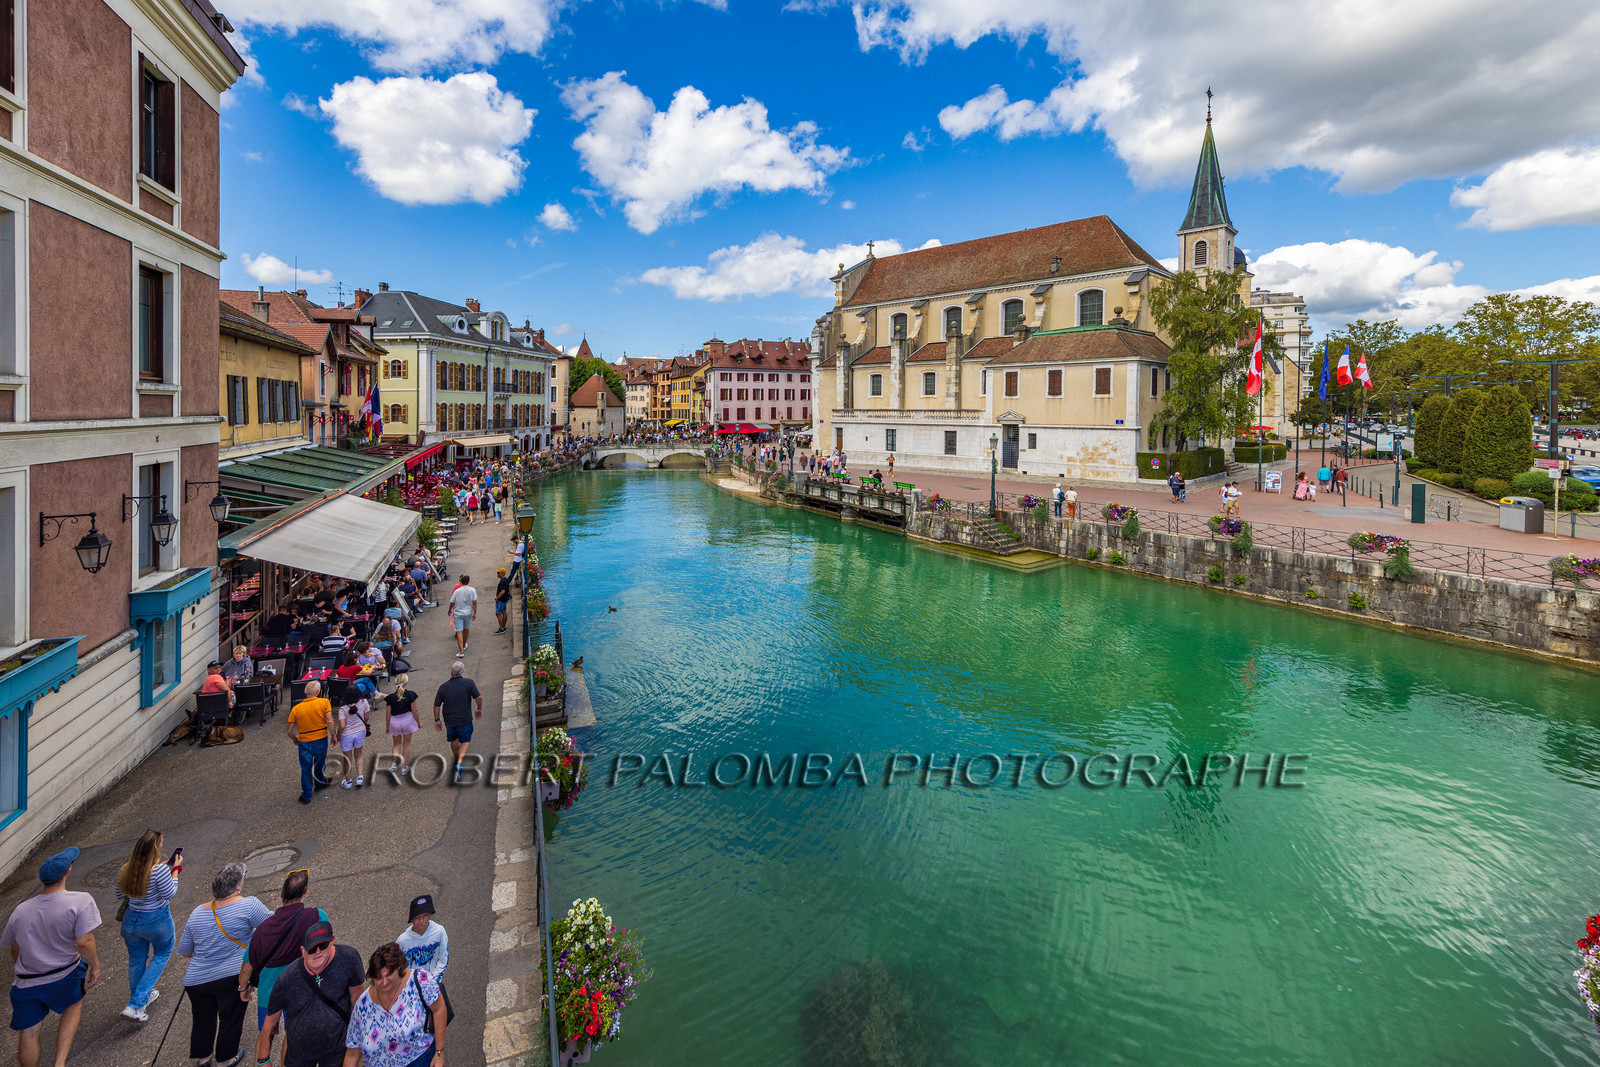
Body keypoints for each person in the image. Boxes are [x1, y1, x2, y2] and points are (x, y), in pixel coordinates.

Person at [1, 847, 100, 1067]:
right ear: (68, 871)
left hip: (27, 981)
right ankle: (59, 1063)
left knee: (29, 1032)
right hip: (65, 974)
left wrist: (21, 967)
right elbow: (84, 942)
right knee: (73, 1005)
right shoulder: (80, 901)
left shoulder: (20, 910)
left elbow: (15, 949)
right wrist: (94, 966)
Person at [176, 862, 270, 1067]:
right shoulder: (249, 905)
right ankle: (226, 1059)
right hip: (231, 975)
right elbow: (272, 927)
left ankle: (204, 1058)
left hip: (196, 980)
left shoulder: (197, 913)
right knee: (230, 1018)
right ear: (238, 886)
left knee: (202, 1019)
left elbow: (185, 951)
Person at [257, 919, 364, 1067]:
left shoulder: (349, 959)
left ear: (332, 940)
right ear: (302, 950)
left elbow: (358, 998)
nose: (318, 952)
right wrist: (263, 1060)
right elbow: (271, 1021)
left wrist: (359, 1038)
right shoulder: (287, 979)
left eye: (323, 945)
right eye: (312, 949)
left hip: (337, 1048)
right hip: (300, 1053)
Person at [239, 869, 327, 1038]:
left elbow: (247, 965)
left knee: (266, 1036)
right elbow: (328, 949)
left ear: (281, 893)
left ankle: (262, 1063)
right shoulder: (317, 915)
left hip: (269, 992)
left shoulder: (264, 928)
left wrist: (243, 987)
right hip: (302, 987)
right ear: (305, 891)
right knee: (293, 1034)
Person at [342, 942, 446, 1067]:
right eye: (378, 978)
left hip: (419, 1060)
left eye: (389, 975)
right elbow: (353, 1051)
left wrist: (439, 1053)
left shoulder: (420, 980)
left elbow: (439, 1009)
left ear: (398, 968)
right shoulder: (363, 1006)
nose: (384, 982)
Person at [114, 830, 180, 1022]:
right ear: (156, 848)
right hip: (155, 920)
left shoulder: (126, 869)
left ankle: (139, 999)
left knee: (137, 960)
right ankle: (135, 1005)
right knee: (162, 953)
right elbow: (170, 893)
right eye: (161, 844)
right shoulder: (158, 870)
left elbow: (120, 895)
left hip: (131, 921)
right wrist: (175, 870)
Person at [433, 662, 482, 783]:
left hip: (449, 719)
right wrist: (479, 708)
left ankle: (457, 760)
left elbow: (436, 706)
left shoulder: (443, 687)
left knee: (454, 740)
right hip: (464, 718)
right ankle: (459, 764)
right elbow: (479, 698)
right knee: (465, 741)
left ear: (451, 672)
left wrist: (437, 720)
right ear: (462, 672)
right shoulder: (469, 683)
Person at [289, 681, 336, 805]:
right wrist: (334, 735)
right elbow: (330, 721)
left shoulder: (296, 709)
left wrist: (294, 737)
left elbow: (289, 730)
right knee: (320, 762)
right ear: (317, 692)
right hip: (320, 737)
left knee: (306, 768)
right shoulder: (324, 702)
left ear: (305, 692)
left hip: (304, 741)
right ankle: (320, 782)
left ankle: (307, 795)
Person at [395, 895, 448, 981]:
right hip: (411, 986)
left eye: (425, 916)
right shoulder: (402, 941)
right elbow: (397, 967)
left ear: (430, 914)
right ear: (411, 919)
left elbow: (443, 959)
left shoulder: (439, 932)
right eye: (417, 917)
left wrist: (433, 980)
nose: (421, 920)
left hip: (433, 983)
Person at [335, 685, 370, 790]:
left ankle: (348, 780)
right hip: (360, 731)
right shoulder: (364, 702)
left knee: (347, 758)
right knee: (359, 754)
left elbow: (342, 725)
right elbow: (366, 717)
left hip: (347, 735)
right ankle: (360, 776)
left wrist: (337, 736)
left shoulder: (342, 709)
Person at [385, 675, 420, 777]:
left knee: (396, 744)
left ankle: (394, 764)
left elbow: (388, 715)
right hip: (408, 721)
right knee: (406, 744)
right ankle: (404, 768)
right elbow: (415, 711)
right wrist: (418, 722)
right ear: (406, 682)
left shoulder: (390, 697)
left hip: (394, 722)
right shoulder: (410, 695)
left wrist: (387, 726)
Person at [448, 575, 478, 658]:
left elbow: (452, 602)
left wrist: (449, 610)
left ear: (460, 581)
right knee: (466, 629)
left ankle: (461, 651)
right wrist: (475, 613)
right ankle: (464, 644)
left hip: (458, 613)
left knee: (459, 631)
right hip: (468, 612)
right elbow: (475, 602)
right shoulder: (472, 590)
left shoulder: (457, 591)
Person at [493, 568, 512, 636]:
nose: (497, 574)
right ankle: (503, 626)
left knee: (498, 613)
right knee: (504, 612)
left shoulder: (502, 582)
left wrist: (497, 598)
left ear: (502, 574)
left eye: (499, 573)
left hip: (501, 600)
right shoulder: (506, 580)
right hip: (505, 599)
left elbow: (502, 591)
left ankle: (502, 628)